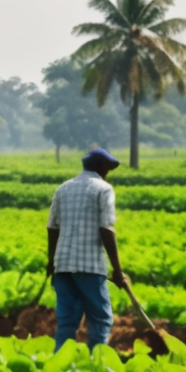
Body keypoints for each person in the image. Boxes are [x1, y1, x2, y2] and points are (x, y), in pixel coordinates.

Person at [47, 148, 129, 349]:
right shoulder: (103, 189)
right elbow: (106, 229)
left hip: (63, 265)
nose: (108, 173)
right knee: (100, 320)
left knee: (67, 321)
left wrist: (51, 263)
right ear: (101, 167)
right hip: (89, 266)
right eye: (108, 168)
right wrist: (117, 271)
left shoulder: (63, 189)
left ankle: (60, 368)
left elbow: (52, 228)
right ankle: (97, 365)